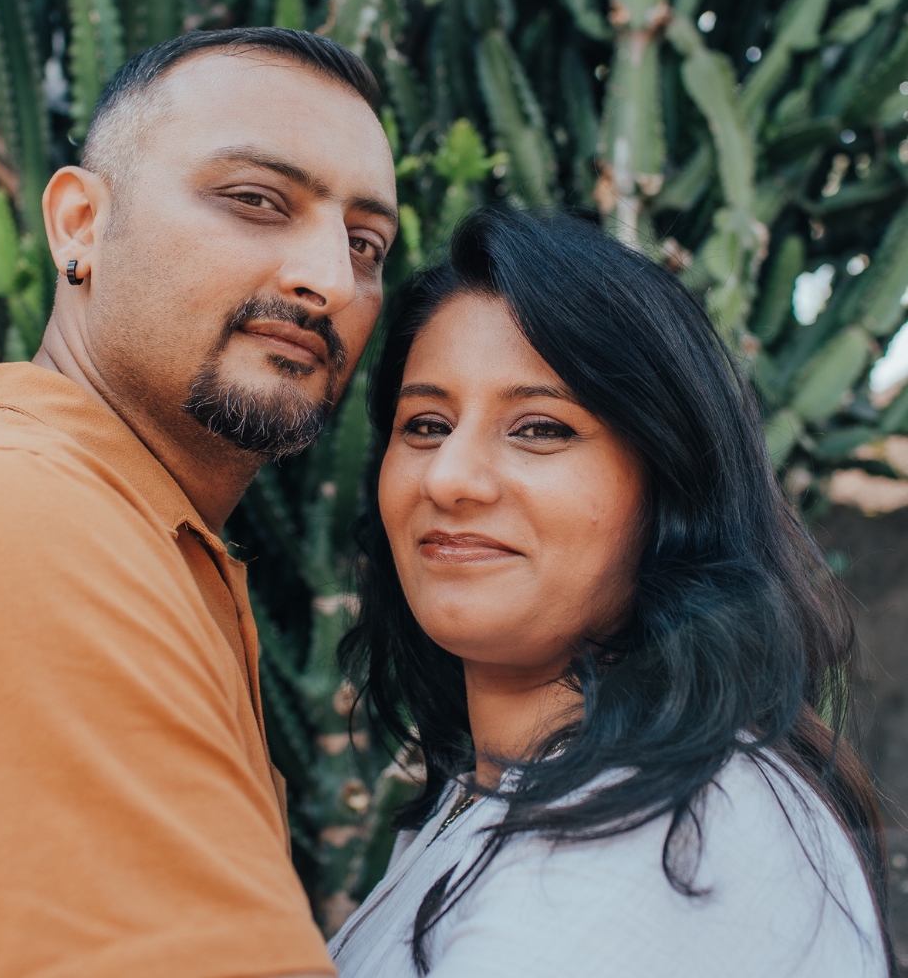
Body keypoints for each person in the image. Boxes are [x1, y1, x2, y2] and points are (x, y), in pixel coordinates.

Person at [0, 28, 397, 978]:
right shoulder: (17, 525)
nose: (329, 280)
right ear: (79, 225)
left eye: (365, 241)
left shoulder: (133, 533)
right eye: (256, 201)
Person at [332, 206, 892, 977]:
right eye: (425, 424)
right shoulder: (502, 794)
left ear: (667, 484)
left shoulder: (670, 828)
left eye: (539, 428)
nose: (449, 477)